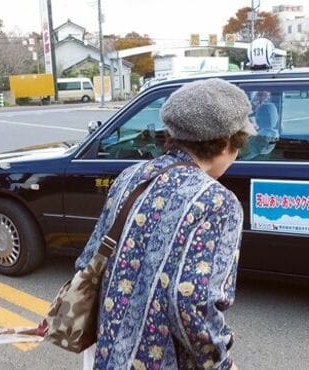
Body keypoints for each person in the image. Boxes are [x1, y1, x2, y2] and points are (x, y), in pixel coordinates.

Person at [76, 78, 255, 369]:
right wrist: (221, 362)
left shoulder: (131, 176)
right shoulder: (218, 202)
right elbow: (192, 305)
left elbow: (91, 259)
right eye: (239, 146)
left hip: (108, 353)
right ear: (225, 143)